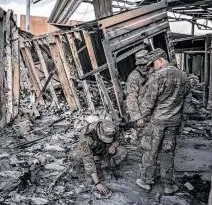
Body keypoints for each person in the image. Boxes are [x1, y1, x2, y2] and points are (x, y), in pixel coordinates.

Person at [136, 48, 192, 195]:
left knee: (150, 151)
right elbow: (187, 100)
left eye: (153, 63)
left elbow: (149, 103)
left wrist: (141, 118)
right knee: (168, 153)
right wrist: (183, 119)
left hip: (157, 122)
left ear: (160, 60)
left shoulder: (157, 76)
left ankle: (147, 181)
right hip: (173, 122)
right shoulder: (183, 75)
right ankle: (168, 186)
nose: (152, 67)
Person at [75, 118, 127, 195]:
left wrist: (113, 147)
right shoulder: (86, 135)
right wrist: (97, 183)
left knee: (122, 151)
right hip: (92, 152)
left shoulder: (114, 127)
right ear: (99, 133)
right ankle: (99, 165)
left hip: (104, 148)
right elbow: (87, 159)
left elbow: (119, 139)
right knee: (91, 178)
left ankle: (106, 165)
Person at [126, 49, 152, 128]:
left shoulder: (155, 72)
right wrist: (138, 118)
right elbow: (131, 98)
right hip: (143, 115)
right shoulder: (133, 77)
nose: (142, 67)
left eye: (144, 64)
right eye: (140, 65)